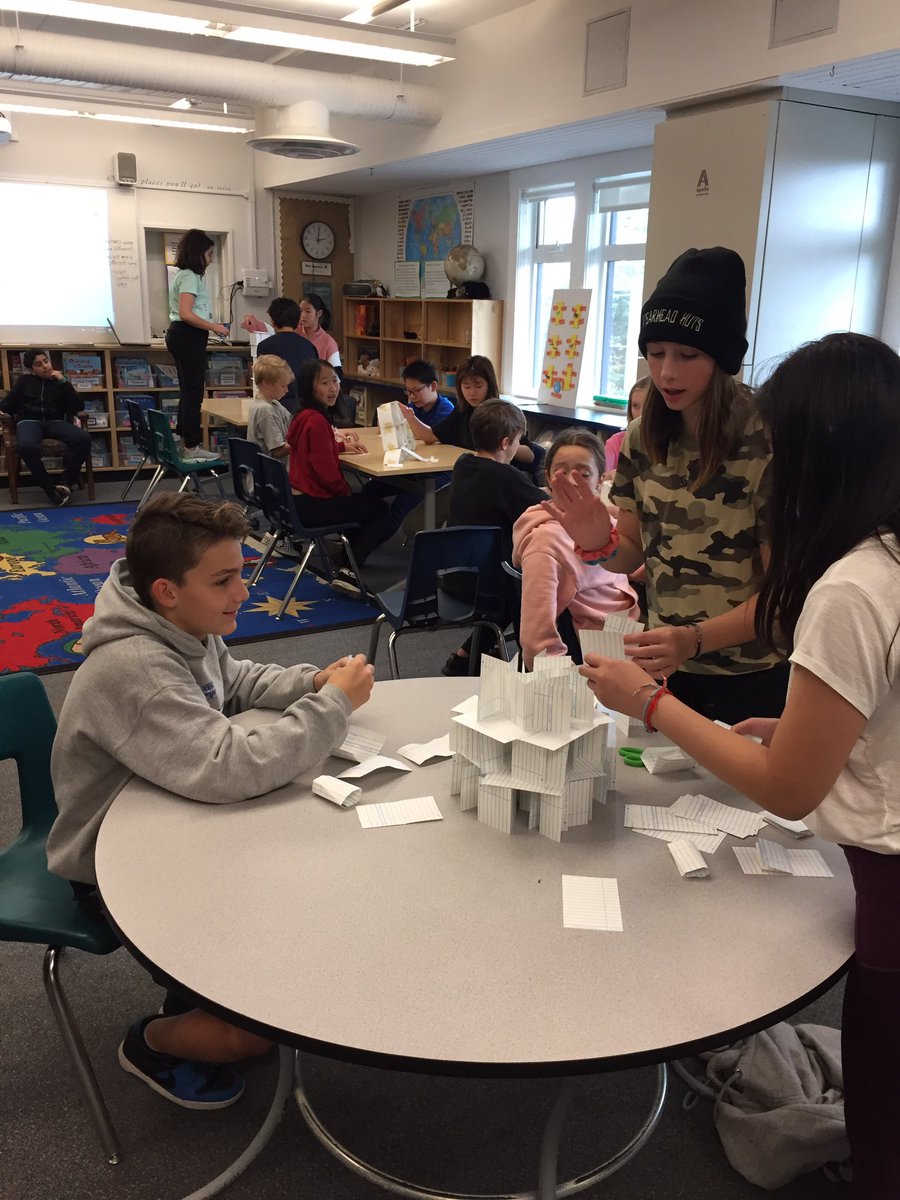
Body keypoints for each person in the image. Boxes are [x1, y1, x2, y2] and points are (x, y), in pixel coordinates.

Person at [580, 331, 900, 1200]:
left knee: (882, 1068)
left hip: (892, 880)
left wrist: (650, 704)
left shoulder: (852, 587)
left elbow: (790, 788)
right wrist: (805, 730)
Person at [46, 491, 374, 1109]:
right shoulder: (136, 667)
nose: (243, 594)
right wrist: (332, 706)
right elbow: (226, 766)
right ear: (167, 590)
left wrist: (311, 682)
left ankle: (197, 993)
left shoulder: (177, 624)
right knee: (251, 1031)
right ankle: (152, 1043)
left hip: (181, 829)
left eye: (242, 575)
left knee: (300, 901)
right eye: (225, 580)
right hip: (115, 868)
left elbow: (234, 681)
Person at [543, 246, 786, 726]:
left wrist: (692, 639)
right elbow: (631, 552)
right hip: (665, 663)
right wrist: (596, 541)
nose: (667, 372)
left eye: (687, 354)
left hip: (748, 672)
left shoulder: (767, 439)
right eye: (655, 353)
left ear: (721, 357)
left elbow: (783, 597)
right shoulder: (642, 436)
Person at [513, 430, 639, 669]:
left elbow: (631, 565)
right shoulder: (545, 542)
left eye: (583, 474)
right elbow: (536, 640)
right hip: (601, 652)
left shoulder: (603, 521)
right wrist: (563, 687)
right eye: (561, 472)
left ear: (601, 480)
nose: (572, 481)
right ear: (548, 477)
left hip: (626, 628)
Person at [442, 400, 547, 676]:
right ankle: (525, 663)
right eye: (518, 440)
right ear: (505, 443)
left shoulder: (463, 464)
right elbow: (544, 504)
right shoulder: (505, 476)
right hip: (489, 585)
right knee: (530, 586)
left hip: (455, 574)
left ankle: (468, 656)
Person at [287, 359, 391, 593]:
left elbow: (313, 451)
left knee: (362, 500)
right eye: (324, 382)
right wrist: (345, 493)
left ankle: (346, 558)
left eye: (335, 380)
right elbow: (327, 476)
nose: (333, 388)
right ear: (309, 387)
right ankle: (349, 571)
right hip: (313, 504)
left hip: (298, 500)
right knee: (380, 510)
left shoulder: (304, 415)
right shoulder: (317, 421)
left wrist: (340, 448)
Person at [400, 354, 545, 483]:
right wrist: (411, 418)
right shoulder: (462, 410)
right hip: (468, 475)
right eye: (466, 387)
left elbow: (530, 455)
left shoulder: (503, 413)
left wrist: (502, 444)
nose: (472, 393)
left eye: (478, 386)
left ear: (489, 384)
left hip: (494, 480)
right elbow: (431, 436)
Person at [364, 360, 455, 538]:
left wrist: (409, 419)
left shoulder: (446, 410)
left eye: (417, 391)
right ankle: (358, 538)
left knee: (402, 503)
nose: (412, 396)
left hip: (438, 474)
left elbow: (428, 437)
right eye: (408, 391)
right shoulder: (415, 407)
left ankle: (366, 544)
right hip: (414, 468)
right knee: (371, 489)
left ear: (433, 386)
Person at [164, 229, 228, 461]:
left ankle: (185, 443)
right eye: (209, 254)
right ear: (198, 253)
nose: (211, 260)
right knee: (193, 393)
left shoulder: (183, 275)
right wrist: (215, 327)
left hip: (183, 335)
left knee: (188, 392)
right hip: (187, 335)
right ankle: (191, 446)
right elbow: (186, 313)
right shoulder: (190, 276)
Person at [0, 349, 91, 505]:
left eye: (46, 361)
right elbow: (7, 405)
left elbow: (78, 405)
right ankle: (50, 489)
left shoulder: (59, 382)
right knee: (26, 445)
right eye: (38, 364)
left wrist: (63, 382)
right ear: (32, 369)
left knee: (83, 438)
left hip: (55, 421)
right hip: (29, 421)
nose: (45, 366)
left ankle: (66, 483)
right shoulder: (24, 381)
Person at [254, 297, 316, 414]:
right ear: (298, 321)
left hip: (275, 405)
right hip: (305, 406)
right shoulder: (309, 346)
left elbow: (263, 380)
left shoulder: (264, 346)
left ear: (272, 321)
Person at [247, 355, 293, 459]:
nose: (287, 390)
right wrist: (303, 442)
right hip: (273, 472)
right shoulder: (265, 410)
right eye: (283, 386)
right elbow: (278, 450)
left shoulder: (274, 404)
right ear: (267, 383)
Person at [603, 374, 649, 476]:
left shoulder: (672, 446)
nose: (640, 413)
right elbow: (601, 477)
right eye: (635, 406)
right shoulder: (616, 442)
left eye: (647, 406)